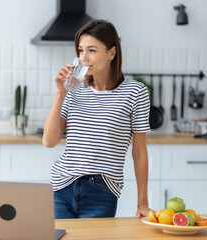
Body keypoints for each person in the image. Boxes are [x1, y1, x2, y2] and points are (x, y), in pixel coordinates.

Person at [43, 19, 151, 219]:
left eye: (91, 50)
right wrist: (60, 93)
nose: (84, 57)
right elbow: (49, 141)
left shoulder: (135, 92)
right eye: (80, 50)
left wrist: (142, 203)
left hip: (102, 191)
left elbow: (139, 151)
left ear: (112, 52)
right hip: (61, 186)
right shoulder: (73, 89)